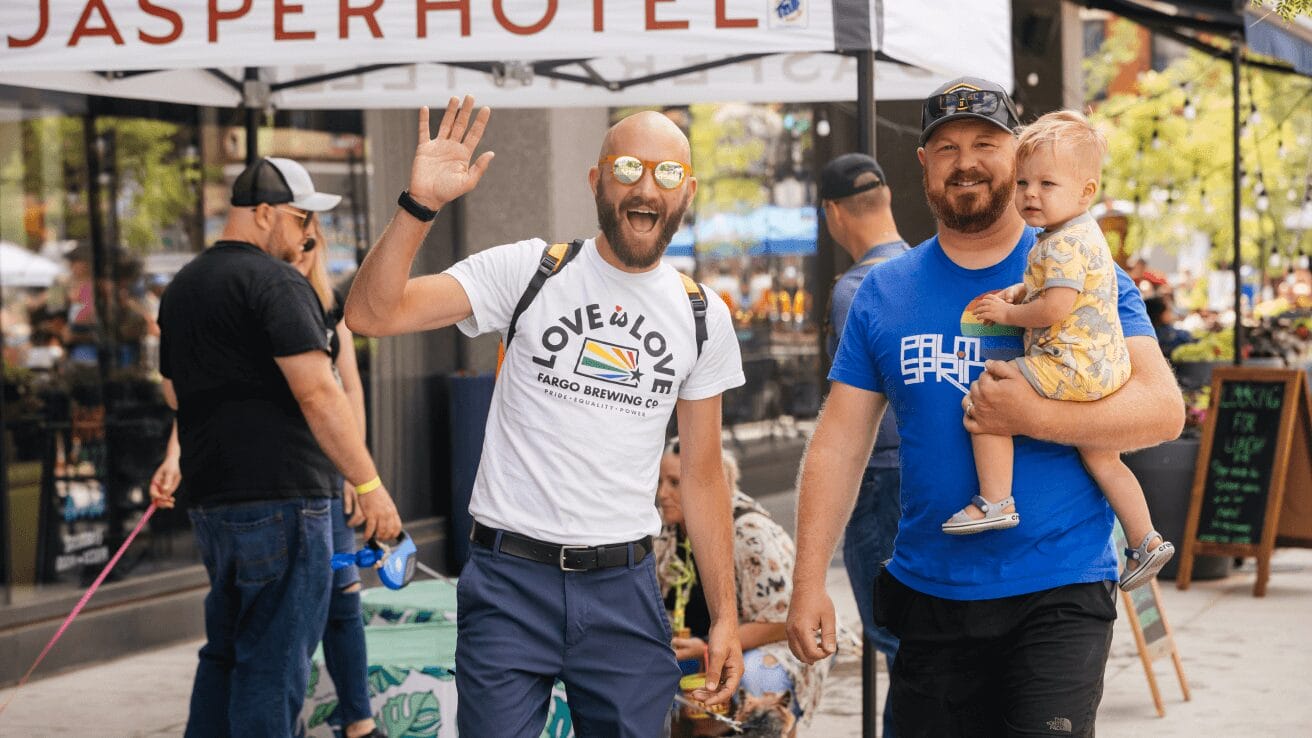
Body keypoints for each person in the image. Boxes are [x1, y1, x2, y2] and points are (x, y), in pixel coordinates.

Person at [786, 77, 1185, 736]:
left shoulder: (1082, 268)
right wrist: (807, 583)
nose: (965, 161)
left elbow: (1161, 410)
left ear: (1019, 155)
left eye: (985, 143)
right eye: (945, 147)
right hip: (930, 593)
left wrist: (1034, 417)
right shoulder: (884, 293)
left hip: (1059, 590)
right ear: (924, 164)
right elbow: (839, 443)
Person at [344, 97, 745, 736]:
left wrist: (724, 615)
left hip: (624, 589)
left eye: (666, 174)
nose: (647, 187)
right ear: (596, 180)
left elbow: (701, 474)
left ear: (688, 192)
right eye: (628, 169)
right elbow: (370, 315)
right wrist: (419, 206)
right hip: (509, 583)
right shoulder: (530, 270)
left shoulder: (704, 316)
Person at [151, 156, 402, 737]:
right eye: (300, 219)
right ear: (264, 214)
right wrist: (369, 485)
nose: (309, 234)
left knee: (225, 654)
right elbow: (320, 393)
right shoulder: (276, 282)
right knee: (273, 664)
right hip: (284, 500)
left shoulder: (184, 286)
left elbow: (172, 392)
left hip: (214, 503)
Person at [958, 111, 1176, 591]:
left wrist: (1009, 313)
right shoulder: (1081, 235)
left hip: (1069, 363)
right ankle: (1145, 539)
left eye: (1047, 184)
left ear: (1085, 191)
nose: (1031, 194)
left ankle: (996, 500)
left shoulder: (1056, 246)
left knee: (989, 395)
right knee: (1103, 459)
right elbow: (1055, 285)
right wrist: (1020, 289)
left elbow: (1055, 306)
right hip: (1104, 365)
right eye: (1023, 182)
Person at [818, 152, 906, 737]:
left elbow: (850, 427)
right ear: (889, 198)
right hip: (930, 476)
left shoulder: (855, 291)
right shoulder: (926, 271)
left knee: (899, 643)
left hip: (878, 480)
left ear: (832, 213)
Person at [654, 442, 831, 728]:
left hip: (776, 645)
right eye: (659, 481)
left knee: (760, 676)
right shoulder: (665, 531)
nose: (662, 494)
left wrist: (709, 647)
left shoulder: (750, 532)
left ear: (708, 484)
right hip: (701, 650)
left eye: (675, 483)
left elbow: (787, 620)